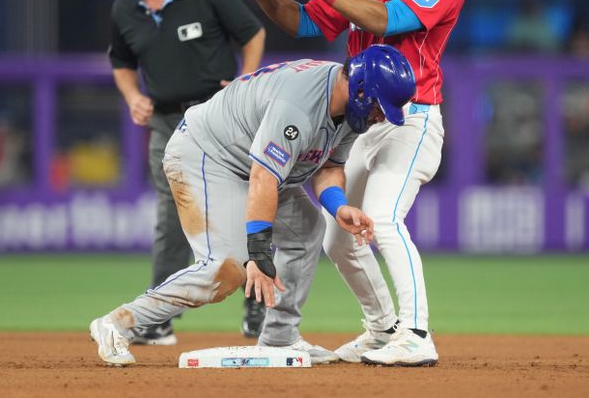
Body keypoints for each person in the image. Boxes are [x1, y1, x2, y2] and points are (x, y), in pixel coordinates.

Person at [216, 0, 464, 366]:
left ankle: (416, 335)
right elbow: (299, 19)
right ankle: (381, 329)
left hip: (413, 119)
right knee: (337, 238)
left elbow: (386, 19)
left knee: (385, 218)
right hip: (363, 121)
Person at [89, 45, 417, 366]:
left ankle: (280, 337)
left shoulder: (348, 110)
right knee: (227, 267)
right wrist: (258, 253)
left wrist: (339, 206)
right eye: (379, 107)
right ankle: (119, 323)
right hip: (206, 154)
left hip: (251, 165)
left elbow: (328, 167)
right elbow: (263, 178)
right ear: (361, 89)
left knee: (307, 229)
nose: (379, 116)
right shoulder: (300, 104)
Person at [108, 0, 267, 344]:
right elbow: (120, 60)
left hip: (221, 120)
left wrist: (245, 82)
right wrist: (130, 95)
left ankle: (257, 307)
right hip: (166, 122)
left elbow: (252, 33)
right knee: (170, 216)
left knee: (253, 204)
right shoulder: (124, 8)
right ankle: (158, 318)